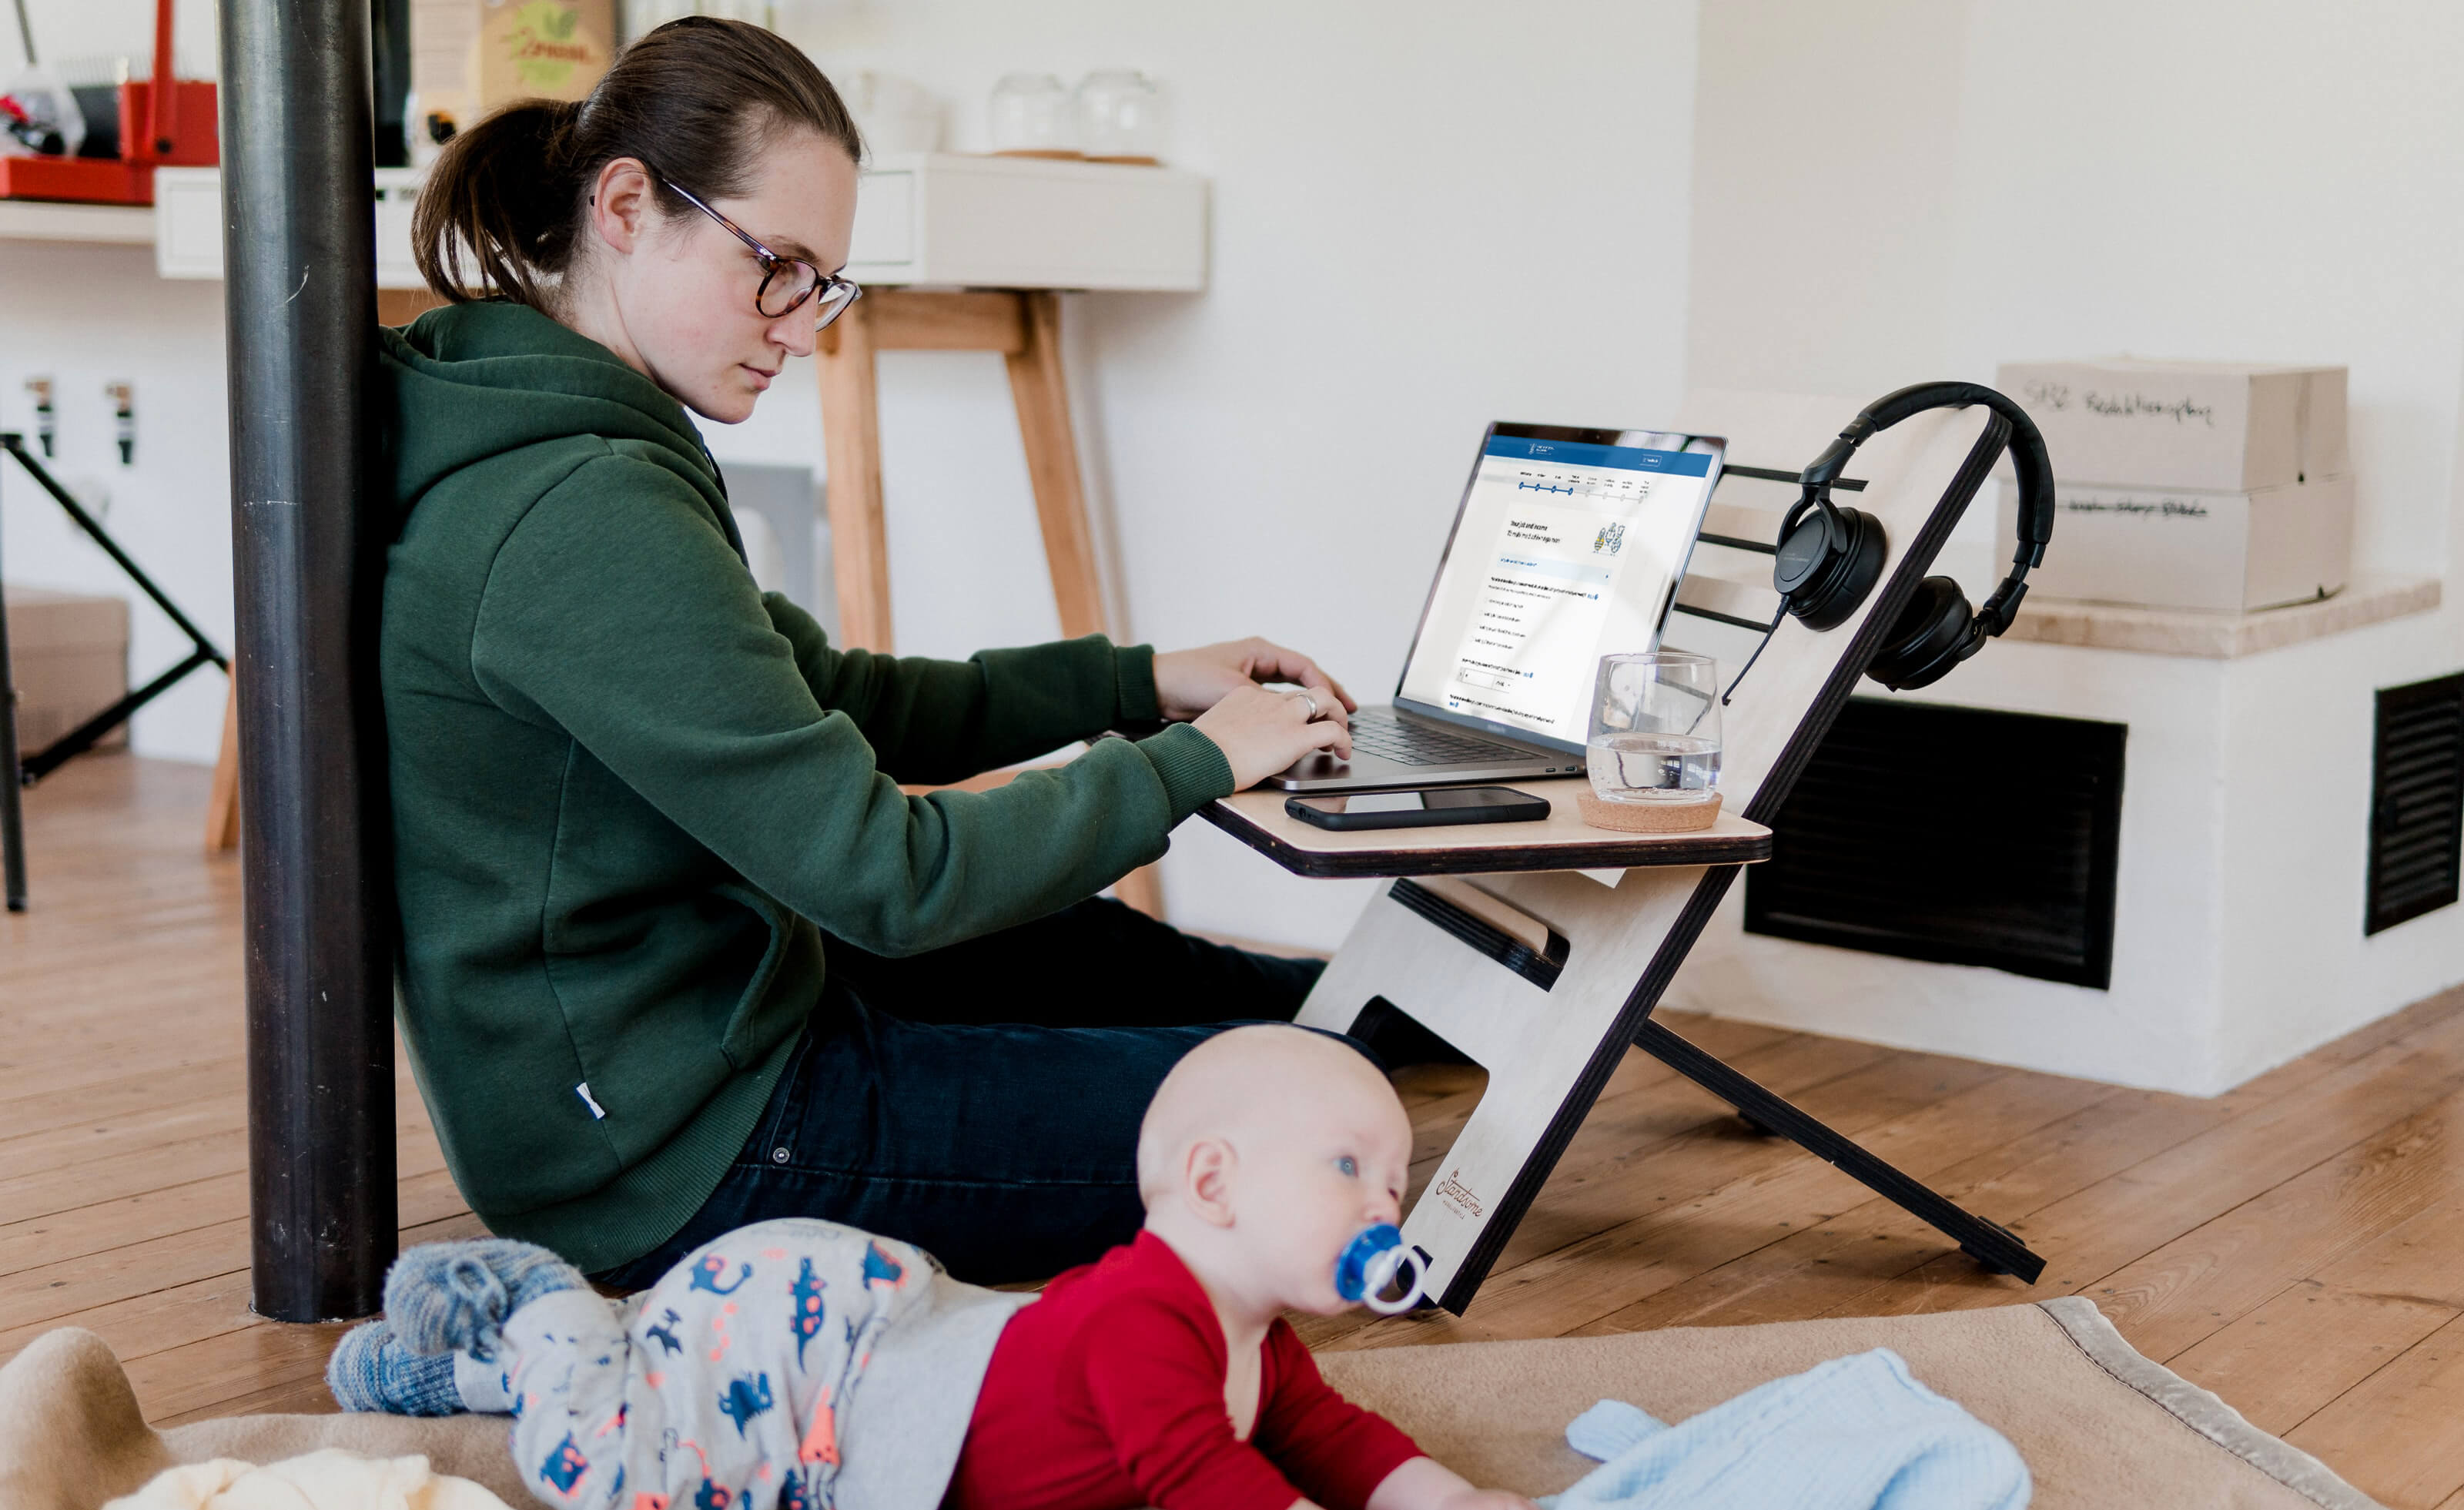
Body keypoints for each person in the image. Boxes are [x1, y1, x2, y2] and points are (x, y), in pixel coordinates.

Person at [380, 15, 1361, 1293]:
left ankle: (1369, 1015)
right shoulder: (581, 509)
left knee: (1131, 966)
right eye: (774, 266)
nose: (801, 323)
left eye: (822, 282)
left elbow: (834, 700)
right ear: (626, 204)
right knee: (1285, 1113)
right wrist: (1194, 763)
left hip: (708, 1032)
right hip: (684, 1155)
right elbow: (886, 876)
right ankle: (1357, 1051)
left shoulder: (554, 424)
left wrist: (1138, 682)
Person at [329, 1027, 1535, 1510]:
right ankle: (536, 1306)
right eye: (1352, 1165)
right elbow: (1199, 1479)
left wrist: (1450, 1497)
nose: (1388, 1200)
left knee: (653, 1370)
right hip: (813, 1366)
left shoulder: (1259, 1341)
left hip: (876, 1320)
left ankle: (459, 1377)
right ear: (1214, 1183)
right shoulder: (1139, 1317)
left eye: (1395, 1176)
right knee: (613, 1461)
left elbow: (1332, 1439)